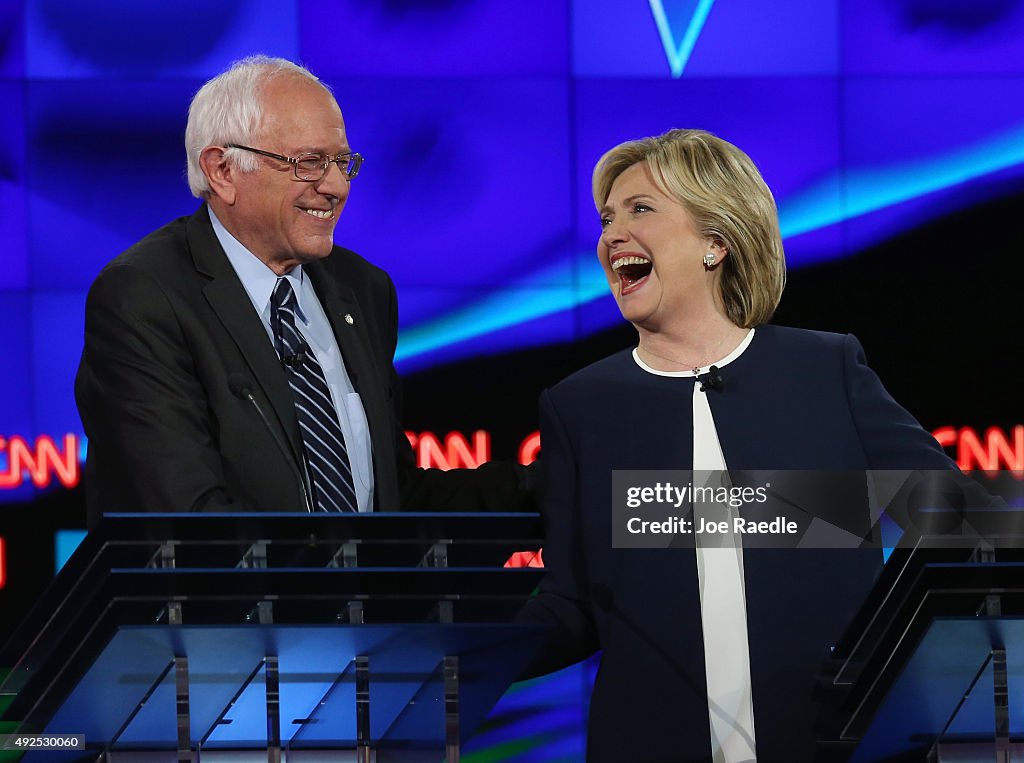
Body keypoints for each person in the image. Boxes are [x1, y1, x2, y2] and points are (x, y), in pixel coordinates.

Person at [516, 129, 966, 762]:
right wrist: (461, 655)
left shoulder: (825, 369)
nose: (612, 234)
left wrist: (887, 654)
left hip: (839, 743)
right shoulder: (580, 405)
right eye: (606, 218)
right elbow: (573, 606)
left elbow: (956, 520)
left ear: (715, 242)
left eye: (640, 209)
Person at [75, 56, 533, 527]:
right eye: (309, 163)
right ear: (222, 171)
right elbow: (186, 517)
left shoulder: (361, 289)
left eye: (341, 162)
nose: (336, 187)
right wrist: (325, 583)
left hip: (361, 602)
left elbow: (392, 503)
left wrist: (556, 488)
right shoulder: (146, 296)